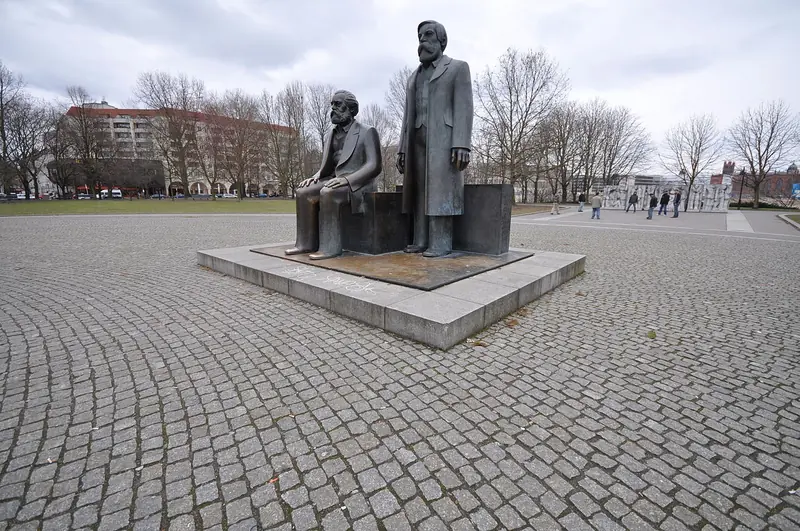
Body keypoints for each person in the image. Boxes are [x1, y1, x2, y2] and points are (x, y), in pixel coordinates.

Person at [397, 20, 473, 257]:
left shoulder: (457, 68)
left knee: (440, 191)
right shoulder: (413, 77)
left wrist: (461, 143)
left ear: (442, 41)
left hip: (444, 141)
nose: (422, 41)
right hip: (417, 140)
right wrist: (402, 148)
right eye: (420, 36)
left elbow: (464, 106)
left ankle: (441, 242)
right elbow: (407, 115)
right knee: (419, 189)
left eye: (428, 35)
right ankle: (420, 239)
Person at [285, 90, 382, 260]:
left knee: (328, 193)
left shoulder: (367, 131)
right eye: (332, 104)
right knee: (303, 192)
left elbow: (374, 166)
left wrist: (346, 180)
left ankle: (330, 248)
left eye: (338, 104)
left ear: (351, 109)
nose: (333, 108)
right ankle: (305, 243)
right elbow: (328, 166)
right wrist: (316, 177)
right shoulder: (332, 133)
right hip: (335, 180)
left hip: (358, 184)